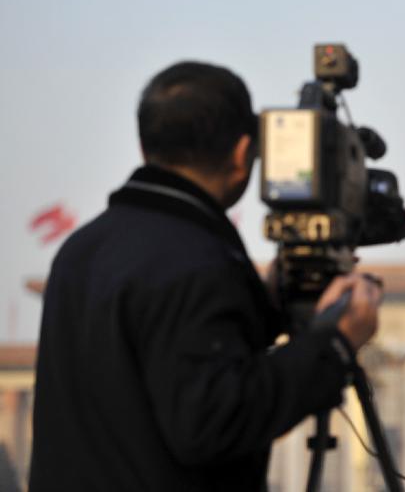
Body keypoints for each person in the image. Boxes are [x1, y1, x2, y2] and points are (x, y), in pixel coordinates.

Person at [29, 61, 383, 491]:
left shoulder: (81, 250)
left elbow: (151, 365)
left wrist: (263, 307)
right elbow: (215, 422)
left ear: (146, 148)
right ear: (241, 153)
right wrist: (335, 346)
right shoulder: (197, 260)